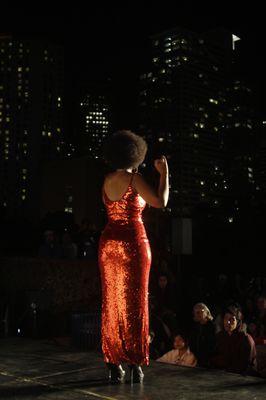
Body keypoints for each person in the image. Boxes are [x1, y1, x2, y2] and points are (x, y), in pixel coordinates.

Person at [98, 130, 169, 383]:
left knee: (112, 302)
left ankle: (112, 361)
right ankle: (135, 363)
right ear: (135, 154)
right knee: (136, 303)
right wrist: (164, 174)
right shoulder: (135, 179)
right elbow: (161, 201)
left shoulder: (106, 180)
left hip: (108, 245)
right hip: (133, 244)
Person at [211, 309, 257, 375]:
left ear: (238, 321)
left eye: (232, 319)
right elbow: (215, 356)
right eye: (226, 318)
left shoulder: (245, 339)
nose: (228, 322)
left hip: (244, 377)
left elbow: (246, 365)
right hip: (223, 374)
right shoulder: (220, 336)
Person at [188, 303, 216, 367]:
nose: (199, 313)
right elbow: (192, 341)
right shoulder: (195, 327)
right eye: (197, 312)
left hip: (209, 362)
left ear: (207, 312)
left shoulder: (212, 326)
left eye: (202, 311)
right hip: (196, 360)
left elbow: (213, 344)